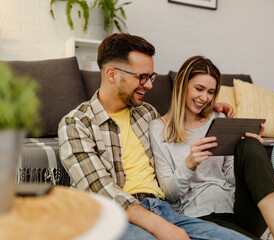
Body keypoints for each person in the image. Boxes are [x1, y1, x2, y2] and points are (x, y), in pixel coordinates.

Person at [58, 33, 250, 240]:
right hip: (113, 214)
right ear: (112, 75)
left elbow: (177, 127)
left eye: (150, 77)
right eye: (141, 77)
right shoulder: (77, 124)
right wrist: (160, 227)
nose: (149, 85)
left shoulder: (146, 113)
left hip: (163, 209)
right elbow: (100, 189)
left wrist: (211, 109)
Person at [149, 56, 274, 240]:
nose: (205, 98)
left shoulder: (218, 118)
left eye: (211, 92)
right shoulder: (158, 129)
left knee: (250, 144)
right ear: (181, 84)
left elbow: (229, 175)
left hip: (240, 209)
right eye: (199, 89)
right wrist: (189, 164)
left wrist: (248, 159)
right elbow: (169, 195)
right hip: (201, 216)